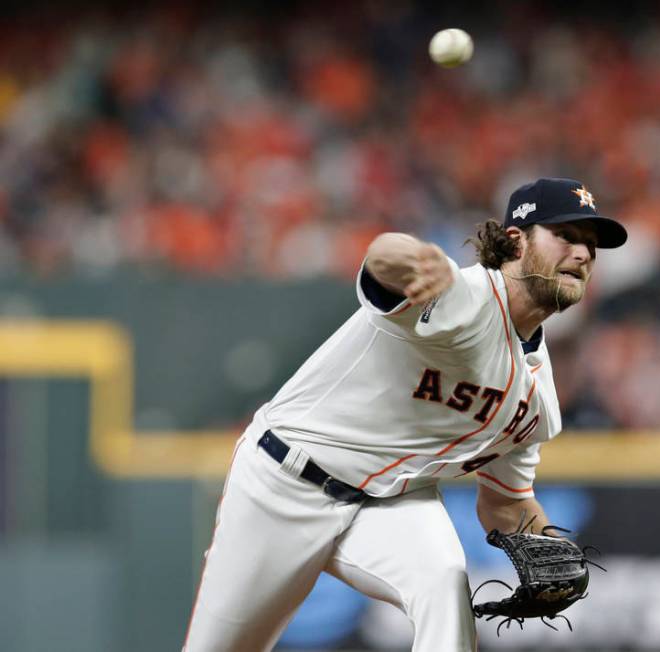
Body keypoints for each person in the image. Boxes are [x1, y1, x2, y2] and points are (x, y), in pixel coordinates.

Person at [182, 177, 628, 651]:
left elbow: (505, 501)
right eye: (566, 237)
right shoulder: (461, 296)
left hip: (387, 502)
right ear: (516, 241)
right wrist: (414, 258)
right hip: (284, 479)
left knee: (444, 584)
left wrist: (553, 549)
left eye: (591, 246)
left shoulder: (538, 397)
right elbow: (383, 258)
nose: (583, 254)